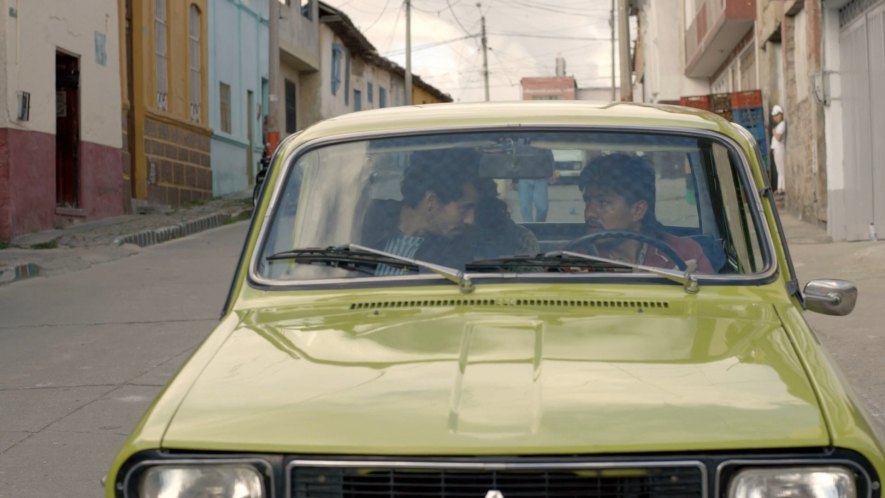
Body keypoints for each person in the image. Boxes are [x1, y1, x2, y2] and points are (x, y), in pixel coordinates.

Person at [573, 153, 713, 273]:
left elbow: (712, 294)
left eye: (603, 203)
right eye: (587, 201)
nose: (589, 213)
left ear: (638, 210)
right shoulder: (576, 259)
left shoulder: (685, 253)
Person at [361, 147, 481, 274]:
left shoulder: (455, 252)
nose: (470, 220)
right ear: (431, 201)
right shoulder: (367, 219)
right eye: (464, 208)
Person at [770, 105, 786, 194]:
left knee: (781, 169)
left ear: (780, 115)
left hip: (780, 148)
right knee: (779, 169)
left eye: (776, 115)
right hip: (776, 149)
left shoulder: (782, 124)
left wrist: (774, 132)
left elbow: (779, 138)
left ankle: (782, 187)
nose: (775, 118)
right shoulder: (779, 125)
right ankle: (780, 187)